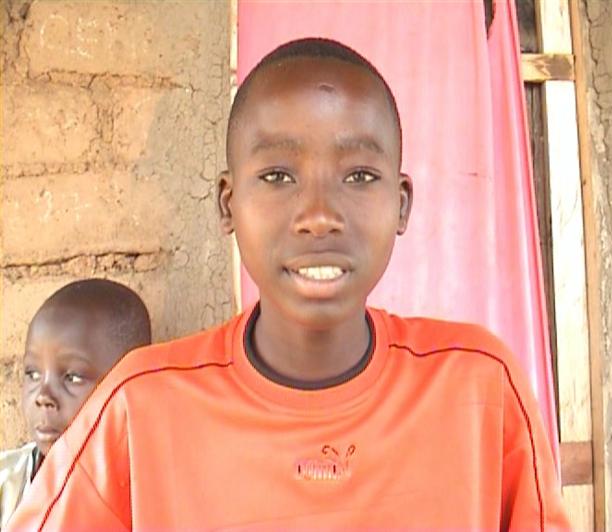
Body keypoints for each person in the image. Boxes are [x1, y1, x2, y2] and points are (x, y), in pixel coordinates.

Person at [8, 38, 570, 530]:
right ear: (229, 203)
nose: (319, 214)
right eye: (278, 176)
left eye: (359, 176)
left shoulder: (478, 388)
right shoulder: (140, 407)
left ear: (401, 204)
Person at [0, 279, 151, 528]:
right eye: (32, 374)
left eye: (72, 377)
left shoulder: (149, 493)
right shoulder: (7, 485)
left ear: (129, 384)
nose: (43, 396)